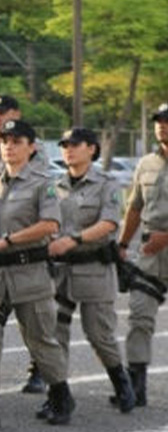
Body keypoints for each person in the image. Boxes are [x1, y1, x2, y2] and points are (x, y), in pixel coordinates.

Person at [0, 119, 77, 425]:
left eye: (16, 142)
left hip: (30, 274)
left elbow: (50, 225)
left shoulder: (43, 184)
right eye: (4, 141)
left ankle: (60, 395)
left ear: (32, 147)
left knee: (40, 341)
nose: (9, 147)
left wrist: (7, 240)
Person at [0, 95, 52, 395]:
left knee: (39, 334)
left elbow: (49, 215)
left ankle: (54, 386)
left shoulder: (37, 163)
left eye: (2, 112)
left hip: (29, 261)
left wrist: (9, 239)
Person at [47, 127, 134, 413]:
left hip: (93, 268)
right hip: (60, 272)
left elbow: (110, 223)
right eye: (64, 145)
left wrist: (74, 239)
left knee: (99, 334)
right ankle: (58, 395)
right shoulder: (55, 185)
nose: (68, 150)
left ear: (92, 149)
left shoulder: (105, 184)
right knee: (54, 334)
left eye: (75, 144)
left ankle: (122, 386)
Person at [118, 102, 168, 409]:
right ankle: (136, 384)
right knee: (139, 314)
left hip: (161, 241)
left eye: (167, 121)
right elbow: (135, 207)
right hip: (150, 252)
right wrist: (122, 244)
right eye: (159, 121)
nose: (162, 125)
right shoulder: (146, 163)